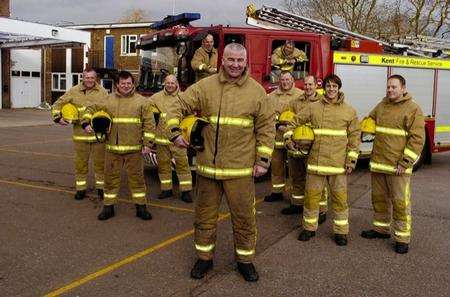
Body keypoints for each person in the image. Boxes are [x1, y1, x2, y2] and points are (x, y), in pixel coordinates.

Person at [166, 43, 275, 282]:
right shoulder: (205, 87)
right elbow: (177, 105)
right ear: (222, 60)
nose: (235, 65)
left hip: (240, 170)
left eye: (240, 60)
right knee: (204, 218)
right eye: (231, 60)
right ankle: (204, 259)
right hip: (207, 169)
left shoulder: (257, 93)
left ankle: (245, 261)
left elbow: (267, 129)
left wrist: (263, 161)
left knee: (245, 219)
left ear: (246, 62)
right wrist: (174, 131)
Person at [285, 74, 360, 246]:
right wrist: (288, 140)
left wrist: (351, 160)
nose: (331, 89)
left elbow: (355, 137)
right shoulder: (313, 108)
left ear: (339, 88)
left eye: (334, 86)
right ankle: (309, 228)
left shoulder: (349, 111)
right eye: (328, 86)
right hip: (315, 164)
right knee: (311, 198)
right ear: (324, 88)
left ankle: (341, 232)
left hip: (338, 165)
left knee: (340, 201)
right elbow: (293, 122)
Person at [361, 74, 424, 254]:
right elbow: (369, 120)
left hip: (398, 167)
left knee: (400, 203)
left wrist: (405, 162)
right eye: (388, 87)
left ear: (403, 88)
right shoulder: (381, 105)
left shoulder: (413, 109)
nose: (390, 90)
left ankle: (402, 238)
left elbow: (417, 139)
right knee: (379, 199)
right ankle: (381, 229)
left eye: (394, 87)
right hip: (379, 164)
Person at [82, 71, 155, 221]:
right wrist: (86, 122)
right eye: (123, 83)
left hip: (134, 150)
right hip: (112, 150)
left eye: (129, 83)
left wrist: (148, 144)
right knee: (110, 180)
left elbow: (149, 124)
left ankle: (141, 208)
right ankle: (108, 208)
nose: (126, 86)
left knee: (137, 180)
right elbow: (90, 108)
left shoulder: (142, 101)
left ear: (133, 84)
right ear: (117, 85)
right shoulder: (108, 100)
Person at [51, 68, 108, 200]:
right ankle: (81, 189)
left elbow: (107, 110)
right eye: (87, 77)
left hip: (98, 136)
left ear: (96, 78)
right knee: (80, 164)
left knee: (100, 164)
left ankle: (101, 189)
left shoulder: (103, 92)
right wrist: (57, 118)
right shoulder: (73, 91)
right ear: (83, 77)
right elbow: (57, 104)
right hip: (80, 135)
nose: (89, 80)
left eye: (92, 78)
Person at [282, 75, 328, 220]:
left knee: (316, 181)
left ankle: (321, 210)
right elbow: (288, 120)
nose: (307, 87)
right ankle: (297, 203)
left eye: (310, 85)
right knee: (296, 177)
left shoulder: (322, 103)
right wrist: (289, 140)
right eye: (306, 85)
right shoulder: (295, 102)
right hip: (295, 147)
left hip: (313, 148)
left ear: (316, 86)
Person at [149, 75, 193, 203]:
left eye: (172, 83)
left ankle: (186, 191)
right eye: (167, 83)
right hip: (161, 139)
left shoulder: (183, 97)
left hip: (178, 139)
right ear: (164, 83)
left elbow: (190, 115)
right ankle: (166, 189)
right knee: (163, 166)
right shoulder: (156, 97)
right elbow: (147, 108)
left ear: (177, 84)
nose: (170, 85)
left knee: (182, 165)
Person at [264, 71, 303, 202]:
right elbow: (267, 115)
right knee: (276, 165)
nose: (285, 82)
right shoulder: (272, 96)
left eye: (287, 79)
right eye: (282, 80)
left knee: (294, 169)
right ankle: (277, 191)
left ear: (293, 80)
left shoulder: (300, 95)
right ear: (279, 81)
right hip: (277, 136)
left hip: (292, 138)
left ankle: (295, 194)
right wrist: (277, 124)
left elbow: (302, 115)